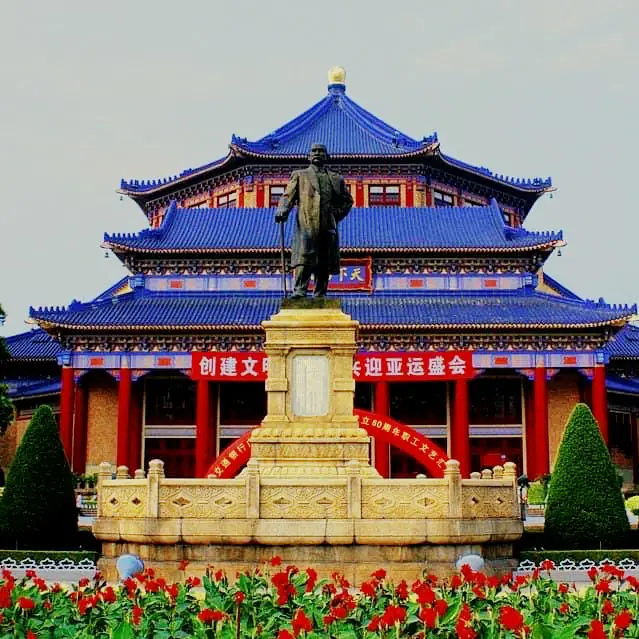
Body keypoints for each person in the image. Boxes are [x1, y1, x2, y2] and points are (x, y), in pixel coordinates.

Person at [275, 144, 353, 298]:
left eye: (321, 151)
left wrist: (335, 215)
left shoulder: (336, 179)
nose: (317, 154)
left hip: (327, 225)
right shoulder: (300, 175)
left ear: (327, 156)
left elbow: (347, 200)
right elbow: (287, 195)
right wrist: (283, 209)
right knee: (304, 258)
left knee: (324, 261)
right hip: (307, 224)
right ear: (309, 156)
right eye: (314, 151)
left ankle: (320, 293)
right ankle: (299, 291)